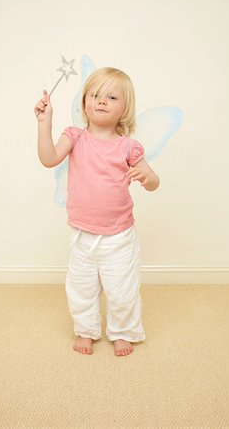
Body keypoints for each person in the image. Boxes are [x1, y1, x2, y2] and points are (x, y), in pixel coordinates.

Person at [34, 67, 160, 356]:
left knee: (122, 290)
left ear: (125, 109)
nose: (101, 100)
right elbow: (48, 158)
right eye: (94, 94)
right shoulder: (75, 137)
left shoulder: (129, 146)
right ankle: (86, 329)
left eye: (111, 96)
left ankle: (123, 331)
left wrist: (146, 177)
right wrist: (45, 124)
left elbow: (154, 181)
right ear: (84, 103)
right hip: (82, 235)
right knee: (81, 288)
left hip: (119, 237)